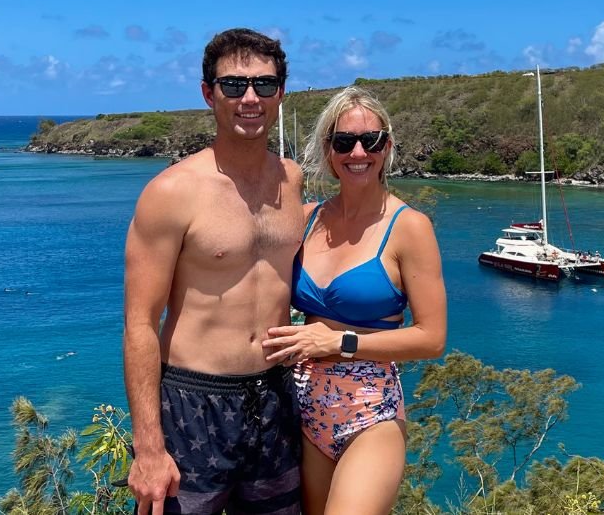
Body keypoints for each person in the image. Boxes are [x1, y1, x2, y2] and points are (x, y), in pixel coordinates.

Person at [124, 28, 305, 515]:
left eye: (265, 86)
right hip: (193, 403)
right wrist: (147, 447)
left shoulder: (292, 181)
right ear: (209, 93)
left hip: (275, 397)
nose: (251, 98)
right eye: (233, 85)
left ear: (281, 94)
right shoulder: (172, 192)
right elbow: (140, 324)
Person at [262, 86, 447, 515]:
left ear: (388, 146)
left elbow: (432, 338)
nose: (358, 151)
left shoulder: (410, 228)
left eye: (372, 140)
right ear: (329, 151)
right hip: (303, 409)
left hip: (371, 413)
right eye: (344, 141)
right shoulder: (306, 220)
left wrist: (338, 342)